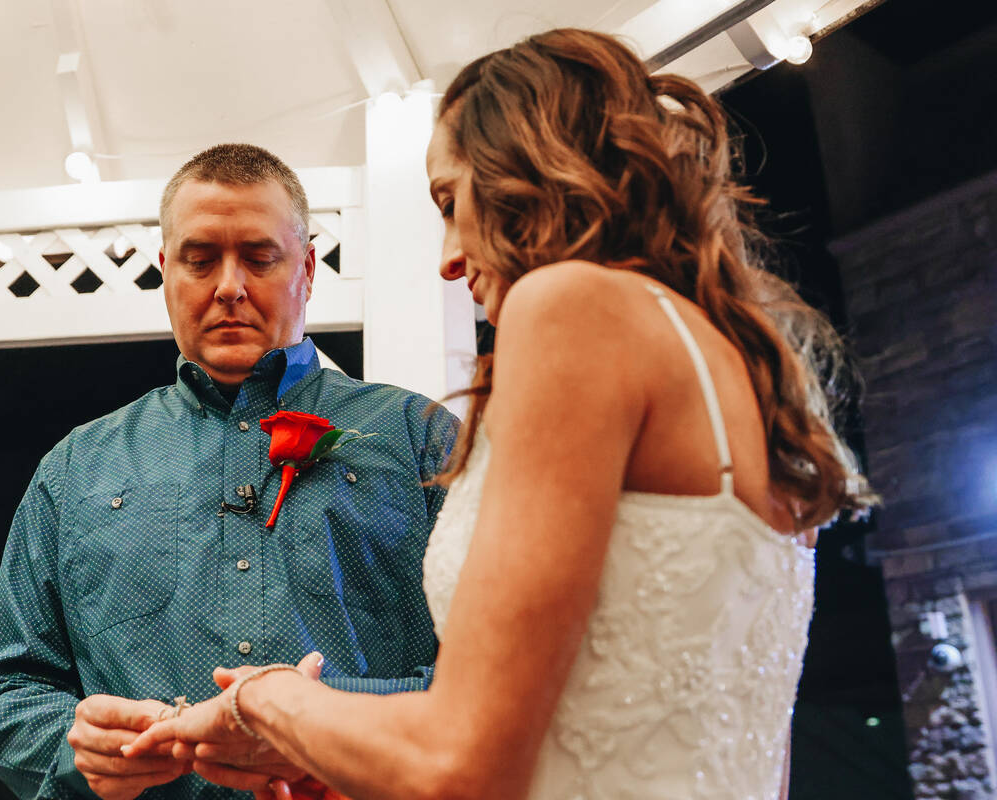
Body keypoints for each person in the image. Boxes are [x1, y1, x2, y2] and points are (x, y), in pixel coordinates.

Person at [121, 28, 878, 800]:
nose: (448, 255)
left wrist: (267, 700)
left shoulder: (572, 306)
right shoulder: (749, 369)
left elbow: (462, 765)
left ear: (531, 171)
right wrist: (348, 756)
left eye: (451, 201)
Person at [0, 143, 457, 800]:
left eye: (259, 257)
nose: (228, 286)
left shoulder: (418, 438)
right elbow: (1, 694)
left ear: (306, 268)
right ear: (166, 271)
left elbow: (496, 681)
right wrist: (76, 745)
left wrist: (315, 718)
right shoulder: (75, 468)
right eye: (199, 260)